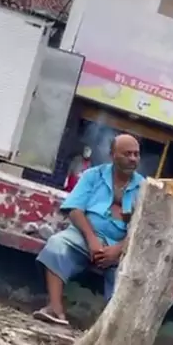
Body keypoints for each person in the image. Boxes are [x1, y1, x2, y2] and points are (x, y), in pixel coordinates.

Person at [34, 133, 143, 326]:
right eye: (127, 154)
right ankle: (54, 308)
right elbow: (75, 209)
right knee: (56, 244)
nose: (133, 158)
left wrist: (119, 250)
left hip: (122, 247)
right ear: (113, 155)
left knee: (128, 276)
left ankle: (109, 328)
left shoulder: (144, 188)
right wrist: (92, 240)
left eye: (136, 154)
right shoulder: (93, 175)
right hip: (85, 236)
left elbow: (145, 230)